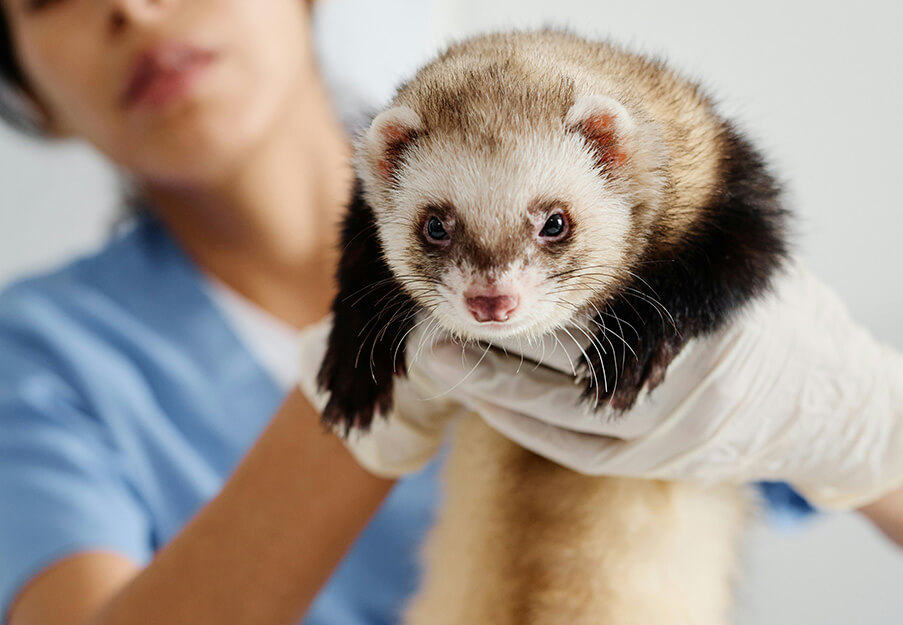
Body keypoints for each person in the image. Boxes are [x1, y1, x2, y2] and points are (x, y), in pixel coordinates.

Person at [0, 3, 899, 625]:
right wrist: (357, 415)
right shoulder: (39, 355)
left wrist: (863, 423)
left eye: (547, 228)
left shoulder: (665, 238)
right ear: (26, 90)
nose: (132, 5)